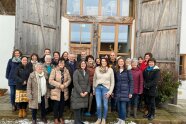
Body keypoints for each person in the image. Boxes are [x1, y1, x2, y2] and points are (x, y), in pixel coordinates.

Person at [49, 58, 71, 124]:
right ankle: (56, 118)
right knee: (56, 105)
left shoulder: (66, 70)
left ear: (64, 64)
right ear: (58, 63)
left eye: (63, 63)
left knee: (62, 105)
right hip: (56, 91)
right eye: (60, 63)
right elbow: (50, 80)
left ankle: (60, 117)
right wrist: (59, 85)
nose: (61, 64)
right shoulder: (54, 70)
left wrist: (64, 85)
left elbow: (69, 79)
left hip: (64, 91)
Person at [93, 57, 115, 124]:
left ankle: (104, 119)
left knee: (105, 105)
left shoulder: (110, 70)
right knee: (99, 105)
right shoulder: (97, 69)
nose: (103, 62)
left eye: (105, 61)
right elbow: (94, 79)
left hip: (106, 89)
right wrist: (94, 89)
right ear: (100, 62)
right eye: (102, 61)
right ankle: (99, 118)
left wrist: (110, 92)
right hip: (98, 88)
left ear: (107, 62)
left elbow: (112, 82)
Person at [114, 57, 133, 124]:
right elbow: (115, 81)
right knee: (118, 106)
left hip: (125, 91)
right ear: (117, 63)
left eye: (122, 61)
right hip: (118, 91)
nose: (120, 63)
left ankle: (123, 120)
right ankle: (120, 119)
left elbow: (131, 81)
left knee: (123, 106)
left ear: (124, 62)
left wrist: (130, 92)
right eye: (119, 61)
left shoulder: (128, 70)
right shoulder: (116, 71)